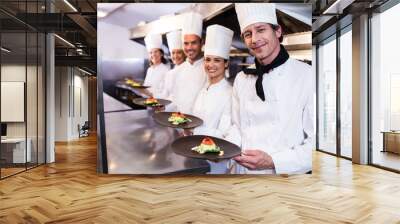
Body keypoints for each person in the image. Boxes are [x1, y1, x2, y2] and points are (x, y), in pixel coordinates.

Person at [230, 3, 314, 174]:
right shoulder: (241, 79)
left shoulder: (307, 75)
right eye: (248, 34)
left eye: (260, 30)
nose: (254, 39)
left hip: (284, 182)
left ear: (278, 31)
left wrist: (273, 161)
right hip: (243, 176)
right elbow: (237, 128)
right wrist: (223, 149)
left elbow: (317, 146)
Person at [186, 24, 234, 174]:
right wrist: (188, 130)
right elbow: (195, 119)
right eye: (207, 60)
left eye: (217, 60)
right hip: (195, 154)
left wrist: (194, 131)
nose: (210, 65)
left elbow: (225, 133)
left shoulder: (230, 93)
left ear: (226, 63)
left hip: (214, 163)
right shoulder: (203, 90)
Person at [170, 12, 207, 114]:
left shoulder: (209, 69)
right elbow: (175, 99)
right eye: (186, 43)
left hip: (200, 126)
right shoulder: (179, 70)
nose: (189, 48)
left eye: (193, 43)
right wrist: (163, 108)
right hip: (178, 123)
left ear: (201, 43)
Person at [159, 30, 186, 101]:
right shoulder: (171, 72)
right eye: (173, 53)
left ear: (184, 54)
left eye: (179, 52)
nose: (176, 56)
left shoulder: (187, 71)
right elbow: (166, 93)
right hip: (167, 107)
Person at [143, 33, 170, 98]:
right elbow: (145, 87)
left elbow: (166, 92)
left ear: (161, 54)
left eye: (156, 51)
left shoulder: (166, 70)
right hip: (148, 103)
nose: (153, 54)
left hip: (159, 105)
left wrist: (152, 95)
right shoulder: (149, 69)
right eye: (151, 52)